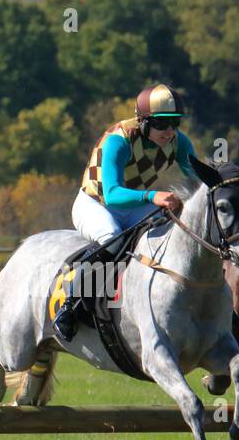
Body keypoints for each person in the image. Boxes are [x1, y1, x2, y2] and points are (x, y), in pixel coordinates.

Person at [57, 84, 202, 341]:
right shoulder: (118, 140)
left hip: (133, 206)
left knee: (173, 229)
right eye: (161, 123)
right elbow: (112, 194)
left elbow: (201, 181)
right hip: (95, 204)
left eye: (175, 123)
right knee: (112, 237)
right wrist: (153, 196)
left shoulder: (180, 143)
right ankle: (70, 305)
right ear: (143, 121)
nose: (169, 131)